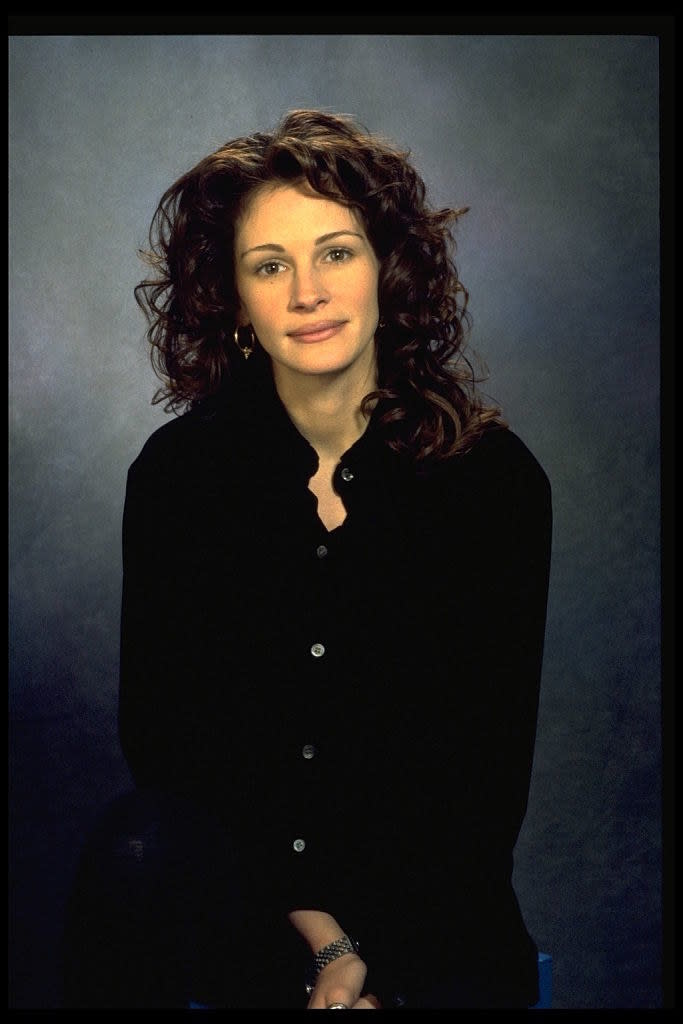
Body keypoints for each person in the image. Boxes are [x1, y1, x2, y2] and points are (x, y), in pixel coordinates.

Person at [62, 108, 552, 1009]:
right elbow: (170, 746)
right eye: (269, 266)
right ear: (235, 299)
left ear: (386, 271)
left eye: (335, 252)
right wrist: (321, 943)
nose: (306, 293)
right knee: (138, 843)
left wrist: (376, 968)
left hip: (428, 906)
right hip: (250, 904)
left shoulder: (491, 483)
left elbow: (481, 780)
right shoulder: (179, 477)